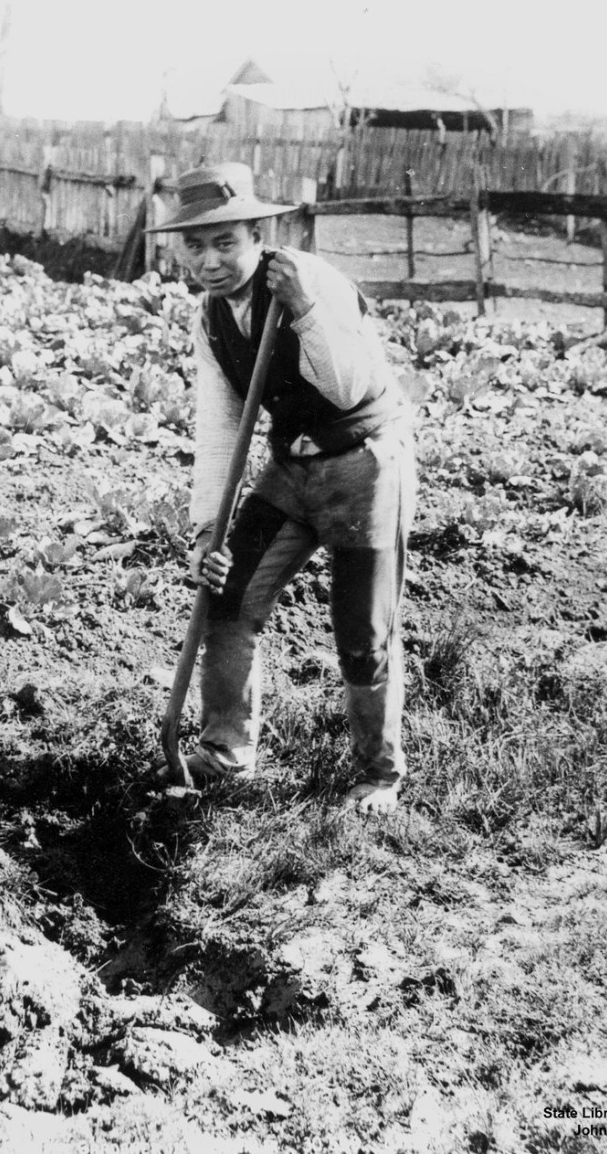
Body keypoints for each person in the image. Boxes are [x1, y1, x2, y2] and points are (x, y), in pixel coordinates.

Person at [149, 161, 416, 815]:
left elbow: (347, 387)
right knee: (229, 596)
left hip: (364, 461)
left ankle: (378, 775)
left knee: (361, 626)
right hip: (291, 466)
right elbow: (219, 429)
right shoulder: (211, 319)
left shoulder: (313, 281)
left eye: (225, 242)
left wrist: (301, 310)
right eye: (196, 245)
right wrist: (207, 529)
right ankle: (226, 752)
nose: (210, 260)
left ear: (256, 234)